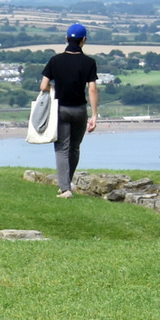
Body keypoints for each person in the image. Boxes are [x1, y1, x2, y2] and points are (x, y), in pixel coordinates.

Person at [40, 23, 99, 197]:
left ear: (66, 39)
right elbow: (93, 89)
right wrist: (94, 115)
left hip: (61, 109)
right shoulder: (89, 62)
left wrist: (57, 88)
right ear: (84, 40)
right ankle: (66, 184)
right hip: (80, 110)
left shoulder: (55, 60)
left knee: (61, 148)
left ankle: (65, 188)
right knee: (74, 147)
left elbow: (43, 85)